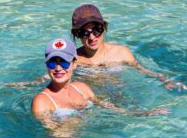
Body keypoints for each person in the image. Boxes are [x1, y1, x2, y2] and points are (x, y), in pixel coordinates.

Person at [31, 37, 168, 119]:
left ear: (74, 64)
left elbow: (111, 108)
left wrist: (142, 113)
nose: (58, 68)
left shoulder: (82, 88)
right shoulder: (42, 102)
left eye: (64, 62)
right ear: (46, 65)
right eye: (52, 62)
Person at [70, 4, 187, 91]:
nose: (92, 37)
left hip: (120, 94)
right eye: (84, 33)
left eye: (97, 30)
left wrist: (164, 80)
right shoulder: (73, 59)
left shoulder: (121, 53)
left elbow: (142, 70)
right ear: (77, 35)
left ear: (104, 27)